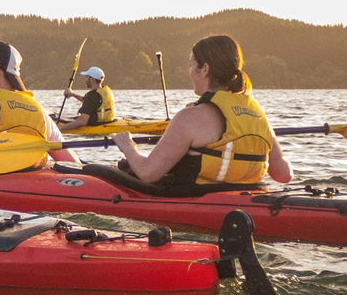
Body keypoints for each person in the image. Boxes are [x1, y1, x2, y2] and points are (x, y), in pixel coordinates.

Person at [111, 35, 291, 186]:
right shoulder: (258, 116)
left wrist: (128, 147)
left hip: (196, 202)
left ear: (204, 69)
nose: (189, 71)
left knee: (102, 171)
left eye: (191, 65)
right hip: (246, 201)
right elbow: (284, 175)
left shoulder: (190, 118)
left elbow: (148, 173)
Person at [59, 65, 115, 131]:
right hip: (107, 121)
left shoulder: (92, 96)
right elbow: (91, 103)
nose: (85, 80)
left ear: (92, 79)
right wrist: (73, 94)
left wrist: (60, 129)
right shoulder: (105, 90)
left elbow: (82, 121)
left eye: (86, 77)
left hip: (94, 125)